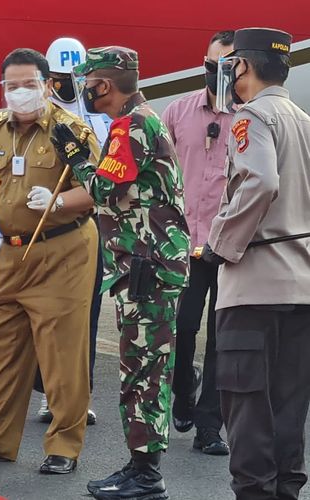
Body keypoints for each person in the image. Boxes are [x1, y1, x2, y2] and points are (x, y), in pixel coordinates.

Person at [0, 48, 100, 475]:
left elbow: (99, 188)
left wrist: (61, 200)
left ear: (48, 85)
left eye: (29, 84)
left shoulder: (72, 131)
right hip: (11, 251)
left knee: (62, 353)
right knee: (2, 348)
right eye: (12, 86)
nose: (21, 93)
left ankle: (64, 446)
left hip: (61, 249)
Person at [53, 46, 189, 498]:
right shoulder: (140, 121)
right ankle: (139, 467)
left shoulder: (131, 127)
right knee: (141, 367)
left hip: (148, 265)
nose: (85, 93)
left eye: (88, 85)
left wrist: (74, 154)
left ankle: (147, 476)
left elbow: (104, 190)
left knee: (145, 370)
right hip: (147, 264)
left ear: (104, 85)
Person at [201, 27, 310, 500]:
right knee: (289, 409)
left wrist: (220, 244)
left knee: (246, 409)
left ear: (241, 66)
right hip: (301, 289)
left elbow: (259, 183)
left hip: (254, 289)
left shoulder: (252, 118)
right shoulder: (303, 120)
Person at [32, 37, 114, 426]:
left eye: (76, 78)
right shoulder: (38, 116)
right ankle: (49, 392)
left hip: (87, 226)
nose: (69, 86)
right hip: (45, 228)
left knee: (85, 315)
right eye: (61, 78)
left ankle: (78, 396)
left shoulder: (101, 118)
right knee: (46, 313)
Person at [160, 30, 234, 456]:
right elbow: (163, 176)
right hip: (184, 243)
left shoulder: (251, 118)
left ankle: (210, 426)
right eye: (211, 64)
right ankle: (184, 390)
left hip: (229, 246)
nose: (216, 73)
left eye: (226, 66)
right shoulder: (178, 112)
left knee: (223, 338)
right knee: (182, 328)